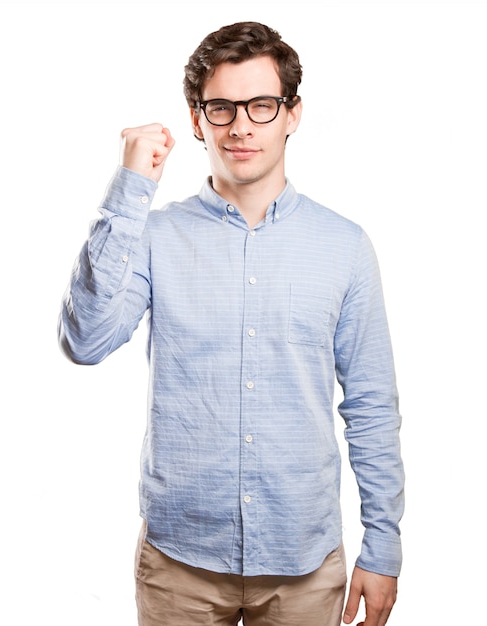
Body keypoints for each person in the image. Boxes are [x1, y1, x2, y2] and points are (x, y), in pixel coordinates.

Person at [58, 21, 404, 626]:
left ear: (292, 115)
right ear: (197, 120)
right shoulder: (155, 237)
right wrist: (131, 187)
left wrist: (384, 547)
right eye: (221, 107)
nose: (241, 126)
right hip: (178, 565)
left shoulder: (345, 247)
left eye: (261, 105)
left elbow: (371, 406)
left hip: (304, 563)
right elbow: (84, 341)